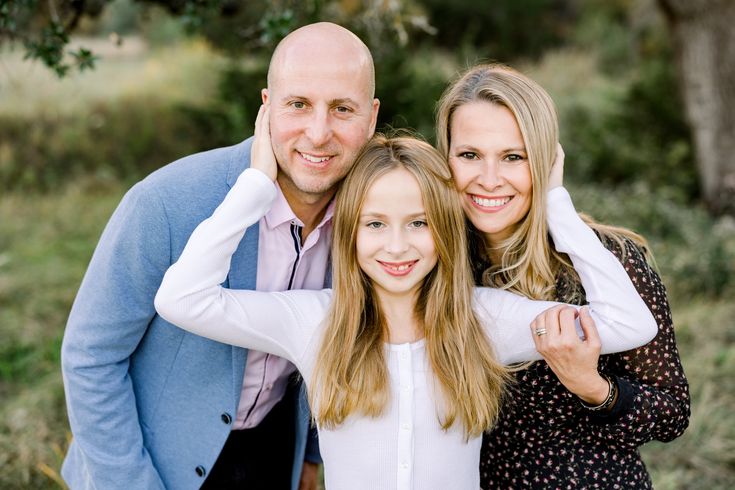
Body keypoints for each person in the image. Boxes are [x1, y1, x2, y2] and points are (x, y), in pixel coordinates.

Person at [154, 117, 658, 489]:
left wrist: (556, 210)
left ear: (444, 231)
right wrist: (256, 187)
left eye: (418, 224)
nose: (397, 247)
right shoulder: (313, 319)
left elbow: (629, 323)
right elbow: (182, 299)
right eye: (375, 224)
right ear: (348, 234)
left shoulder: (483, 319)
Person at [60, 22, 379, 490]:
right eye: (298, 105)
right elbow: (90, 358)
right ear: (266, 107)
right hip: (152, 463)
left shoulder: (373, 218)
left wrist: (309, 455)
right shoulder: (166, 203)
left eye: (342, 109)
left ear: (370, 119)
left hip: (273, 453)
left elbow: (342, 340)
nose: (318, 133)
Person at [435, 63, 690, 489]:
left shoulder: (607, 260)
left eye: (514, 157)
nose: (490, 179)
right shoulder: (436, 259)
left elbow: (672, 413)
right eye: (470, 155)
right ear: (445, 158)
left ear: (546, 160)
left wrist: (592, 387)